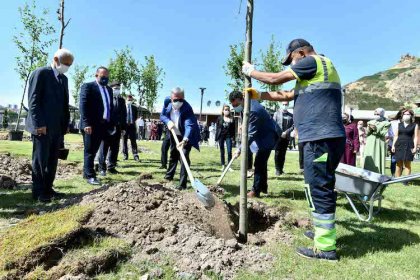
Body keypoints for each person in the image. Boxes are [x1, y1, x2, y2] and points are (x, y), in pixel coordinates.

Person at [242, 38, 345, 261]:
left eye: (291, 60)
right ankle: (321, 233)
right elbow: (288, 95)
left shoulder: (313, 62)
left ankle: (326, 248)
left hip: (321, 138)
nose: (291, 64)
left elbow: (276, 79)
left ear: (300, 52)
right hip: (322, 137)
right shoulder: (313, 73)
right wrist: (259, 95)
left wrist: (252, 71)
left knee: (319, 188)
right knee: (317, 185)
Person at [26, 48, 73, 202]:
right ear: (55, 59)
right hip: (42, 127)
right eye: (65, 63)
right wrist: (39, 123)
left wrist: (65, 124)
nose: (67, 67)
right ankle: (38, 192)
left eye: (69, 65)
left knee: (53, 160)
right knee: (40, 160)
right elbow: (33, 101)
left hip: (57, 128)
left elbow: (64, 104)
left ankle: (48, 188)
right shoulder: (41, 73)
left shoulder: (63, 79)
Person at [229, 90, 278, 198]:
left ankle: (255, 191)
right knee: (262, 162)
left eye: (236, 104)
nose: (235, 107)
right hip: (261, 136)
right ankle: (263, 187)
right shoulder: (246, 105)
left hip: (267, 136)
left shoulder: (253, 110)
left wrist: (239, 149)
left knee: (259, 163)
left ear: (242, 99)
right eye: (233, 105)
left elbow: (250, 134)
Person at [160, 87, 201, 190]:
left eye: (180, 99)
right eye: (175, 100)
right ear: (171, 98)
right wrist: (168, 121)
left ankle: (182, 184)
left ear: (184, 98)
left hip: (187, 135)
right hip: (174, 132)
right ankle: (169, 176)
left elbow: (189, 126)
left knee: (184, 156)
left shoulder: (187, 108)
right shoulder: (167, 102)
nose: (178, 102)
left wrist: (185, 139)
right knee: (173, 154)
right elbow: (162, 115)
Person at [79, 66, 114, 185]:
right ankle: (90, 175)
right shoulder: (88, 87)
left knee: (94, 150)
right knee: (89, 151)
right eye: (102, 77)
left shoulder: (109, 90)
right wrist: (86, 123)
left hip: (102, 125)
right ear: (96, 75)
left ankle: (86, 172)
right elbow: (83, 106)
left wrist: (111, 123)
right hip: (90, 125)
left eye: (107, 77)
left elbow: (109, 107)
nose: (105, 79)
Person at [98, 81, 127, 175]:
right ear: (110, 89)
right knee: (104, 147)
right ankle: (102, 168)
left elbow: (124, 115)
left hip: (118, 127)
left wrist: (123, 128)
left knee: (115, 147)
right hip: (106, 127)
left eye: (118, 89)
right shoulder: (106, 98)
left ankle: (111, 166)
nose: (117, 90)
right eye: (115, 89)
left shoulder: (122, 100)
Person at [362, 108, 391, 174]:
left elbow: (383, 133)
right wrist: (369, 129)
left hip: (379, 142)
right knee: (369, 156)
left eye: (377, 114)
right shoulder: (370, 122)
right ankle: (367, 174)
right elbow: (367, 133)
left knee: (378, 157)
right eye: (375, 114)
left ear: (382, 114)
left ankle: (379, 175)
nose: (376, 115)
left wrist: (375, 129)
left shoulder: (386, 123)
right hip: (370, 141)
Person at [392, 109, 418, 180]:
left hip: (409, 145)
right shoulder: (399, 125)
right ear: (402, 115)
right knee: (398, 164)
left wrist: (415, 147)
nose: (406, 115)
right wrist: (393, 145)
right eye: (405, 114)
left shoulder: (415, 125)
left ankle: (405, 180)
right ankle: (397, 179)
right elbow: (396, 136)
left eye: (408, 114)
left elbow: (415, 137)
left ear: (411, 116)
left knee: (407, 164)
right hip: (399, 145)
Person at [273, 101, 294, 175]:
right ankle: (277, 169)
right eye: (283, 104)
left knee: (283, 153)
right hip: (278, 137)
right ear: (281, 104)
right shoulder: (276, 114)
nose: (285, 105)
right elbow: (274, 124)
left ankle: (281, 169)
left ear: (288, 105)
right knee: (277, 153)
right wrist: (280, 133)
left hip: (286, 136)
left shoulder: (291, 115)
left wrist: (286, 132)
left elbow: (293, 126)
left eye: (286, 104)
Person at [215, 105, 236, 171]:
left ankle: (229, 166)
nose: (227, 111)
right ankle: (223, 165)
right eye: (225, 109)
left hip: (228, 136)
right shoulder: (219, 118)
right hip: (221, 136)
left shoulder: (232, 118)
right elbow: (217, 129)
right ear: (223, 111)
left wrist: (233, 138)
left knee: (229, 151)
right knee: (222, 151)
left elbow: (234, 129)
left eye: (228, 110)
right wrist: (216, 139)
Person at [123, 94, 139, 161]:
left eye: (130, 99)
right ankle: (125, 155)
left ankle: (135, 155)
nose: (129, 100)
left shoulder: (134, 108)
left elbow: (135, 117)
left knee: (133, 141)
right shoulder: (123, 107)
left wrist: (131, 122)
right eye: (128, 99)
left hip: (132, 126)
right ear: (126, 100)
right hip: (124, 126)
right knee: (124, 141)